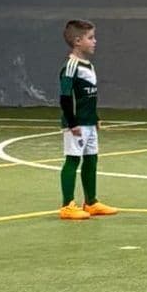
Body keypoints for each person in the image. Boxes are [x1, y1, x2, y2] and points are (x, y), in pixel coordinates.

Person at [56, 19, 119, 221]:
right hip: (76, 124)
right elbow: (66, 97)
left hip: (89, 122)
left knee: (91, 159)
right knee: (73, 160)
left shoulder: (89, 65)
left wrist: (95, 117)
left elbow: (88, 96)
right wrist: (72, 122)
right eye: (90, 38)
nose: (95, 41)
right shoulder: (71, 66)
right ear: (77, 41)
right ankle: (67, 205)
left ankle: (91, 202)